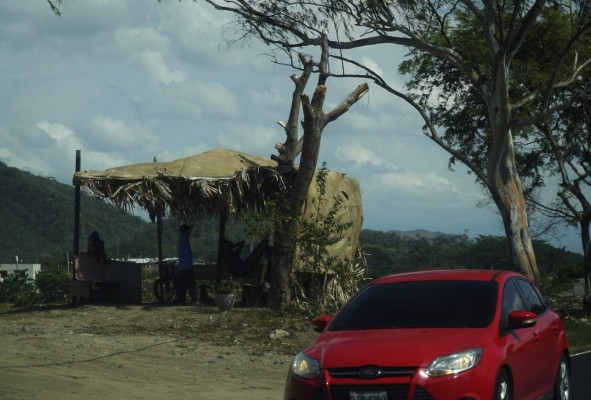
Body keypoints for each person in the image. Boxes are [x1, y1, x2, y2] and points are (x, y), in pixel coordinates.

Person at [173, 224, 200, 305]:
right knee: (191, 284)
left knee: (182, 285)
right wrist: (191, 227)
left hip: (182, 267)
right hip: (187, 266)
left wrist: (190, 228)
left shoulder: (180, 240)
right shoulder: (184, 239)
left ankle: (181, 301)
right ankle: (194, 300)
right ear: (186, 231)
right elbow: (188, 234)